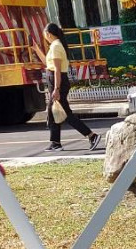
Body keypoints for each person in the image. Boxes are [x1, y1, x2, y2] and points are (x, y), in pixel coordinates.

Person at [34, 24, 100, 153]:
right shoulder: (55, 46)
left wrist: (57, 88)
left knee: (65, 114)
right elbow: (47, 63)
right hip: (55, 82)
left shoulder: (56, 46)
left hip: (58, 82)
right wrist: (36, 49)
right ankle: (55, 143)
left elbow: (57, 70)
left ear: (48, 34)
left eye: (44, 34)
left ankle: (92, 136)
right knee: (52, 111)